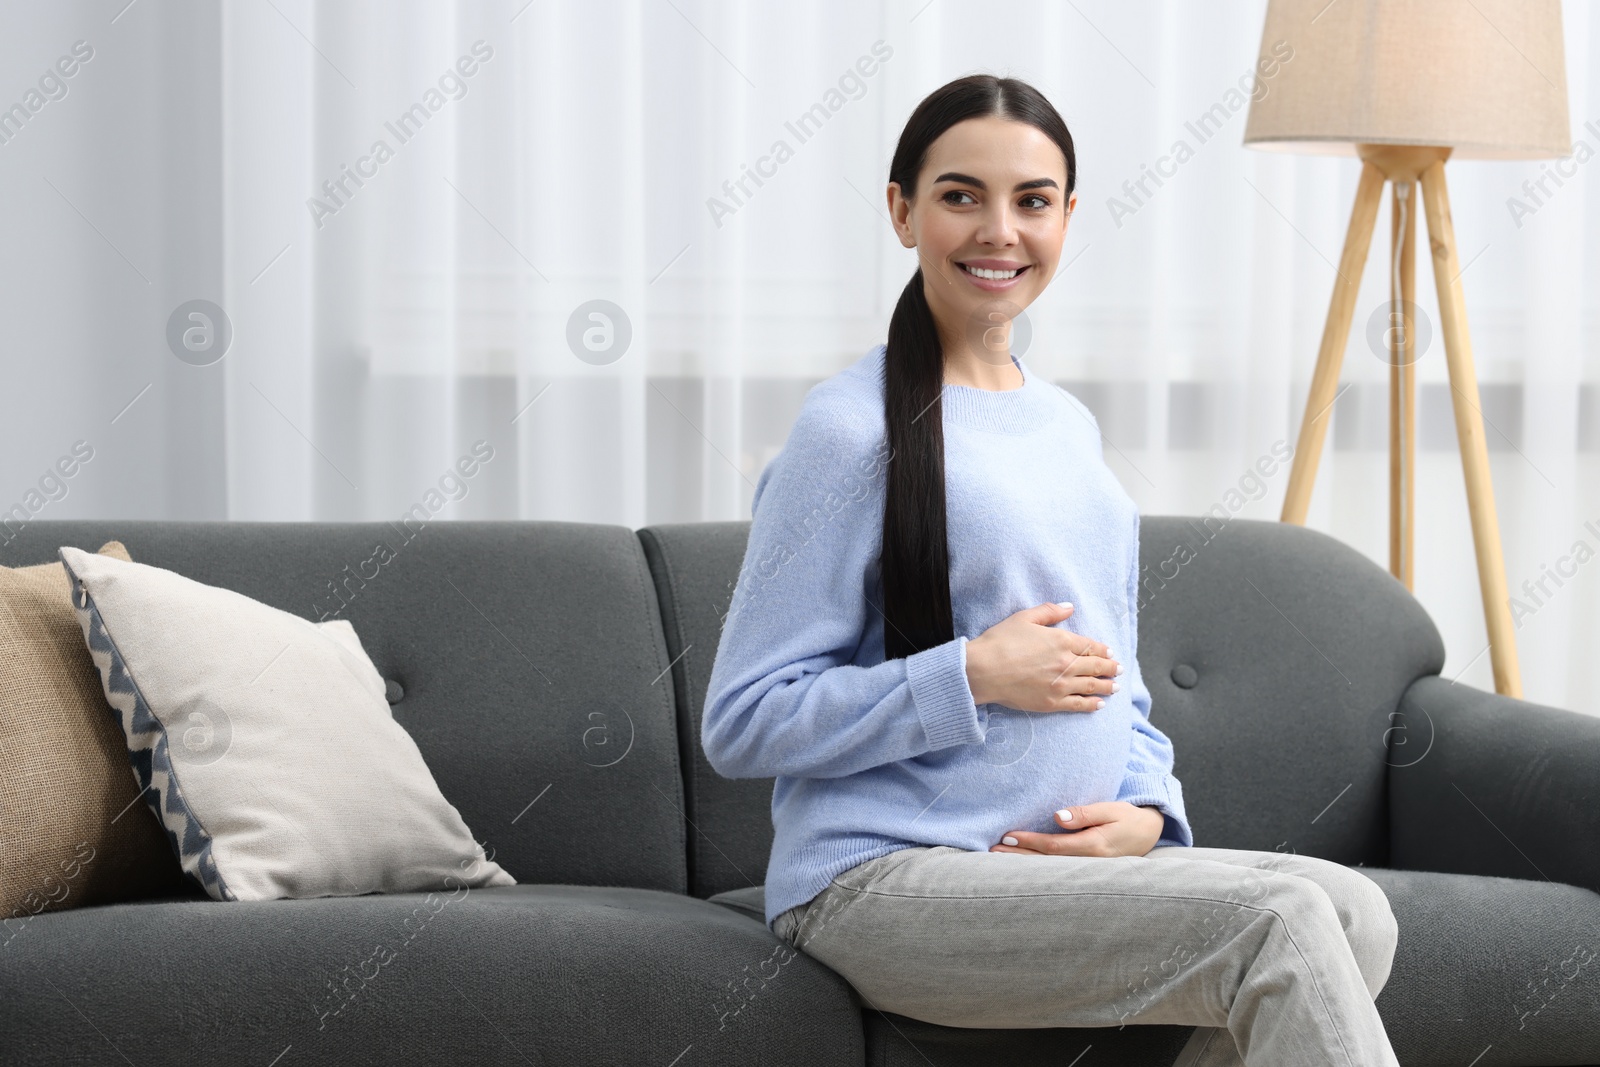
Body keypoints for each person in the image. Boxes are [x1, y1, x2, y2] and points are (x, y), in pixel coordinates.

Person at [700, 73, 1401, 1067]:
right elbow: (743, 718)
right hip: (882, 881)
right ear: (902, 211)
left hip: (1054, 871)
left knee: (1354, 909)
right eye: (958, 195)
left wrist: (1149, 815)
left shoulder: (1065, 425)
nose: (998, 229)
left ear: (1067, 217)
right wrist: (970, 676)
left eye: (1031, 200)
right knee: (1284, 916)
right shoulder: (846, 430)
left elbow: (1114, 673)